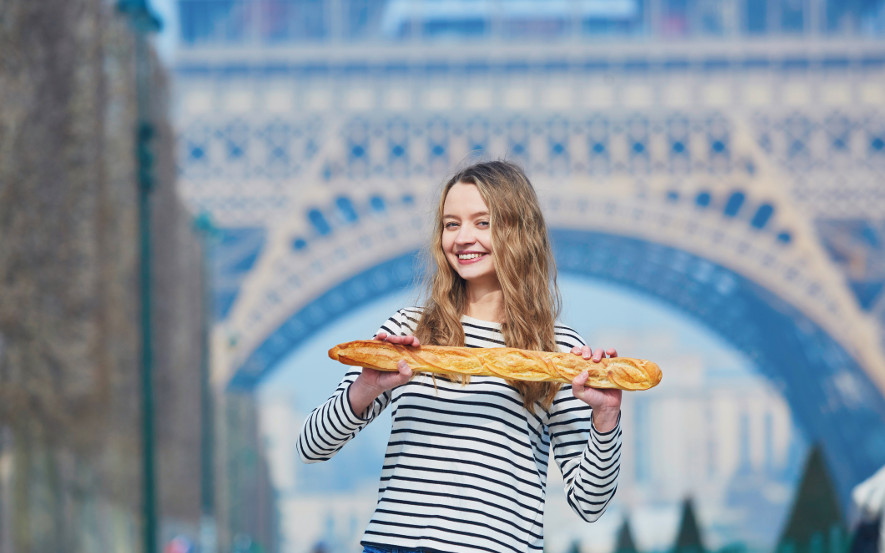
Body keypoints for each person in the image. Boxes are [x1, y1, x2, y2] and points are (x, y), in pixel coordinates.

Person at [297, 160, 623, 553]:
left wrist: (606, 419)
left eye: (482, 223)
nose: (463, 238)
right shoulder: (410, 329)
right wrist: (365, 388)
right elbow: (310, 447)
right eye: (452, 224)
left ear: (519, 231)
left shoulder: (558, 351)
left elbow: (589, 503)